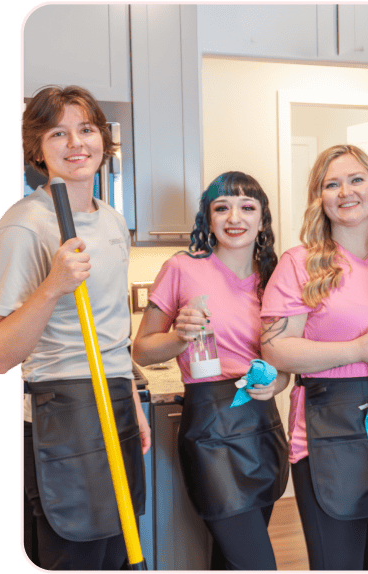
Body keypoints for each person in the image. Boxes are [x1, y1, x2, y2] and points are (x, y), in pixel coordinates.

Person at [0, 85, 149, 570]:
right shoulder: (25, 225)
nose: (77, 143)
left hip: (115, 403)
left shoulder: (114, 222)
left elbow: (112, 332)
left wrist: (131, 402)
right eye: (59, 132)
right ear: (38, 149)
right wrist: (53, 286)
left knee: (118, 554)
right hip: (64, 418)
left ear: (104, 141)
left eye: (87, 129)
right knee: (75, 554)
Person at [259, 144, 368, 570]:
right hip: (327, 435)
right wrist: (356, 350)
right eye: (332, 183)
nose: (345, 191)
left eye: (356, 179)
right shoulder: (298, 265)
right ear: (319, 198)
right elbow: (275, 348)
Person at [132, 172, 290, 570]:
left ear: (262, 219)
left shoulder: (274, 279)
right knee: (257, 564)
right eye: (222, 207)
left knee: (229, 561)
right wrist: (180, 337)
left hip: (264, 429)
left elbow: (286, 363)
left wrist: (279, 382)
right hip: (211, 432)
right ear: (209, 218)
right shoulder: (182, 268)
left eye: (247, 207)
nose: (234, 217)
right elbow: (143, 349)